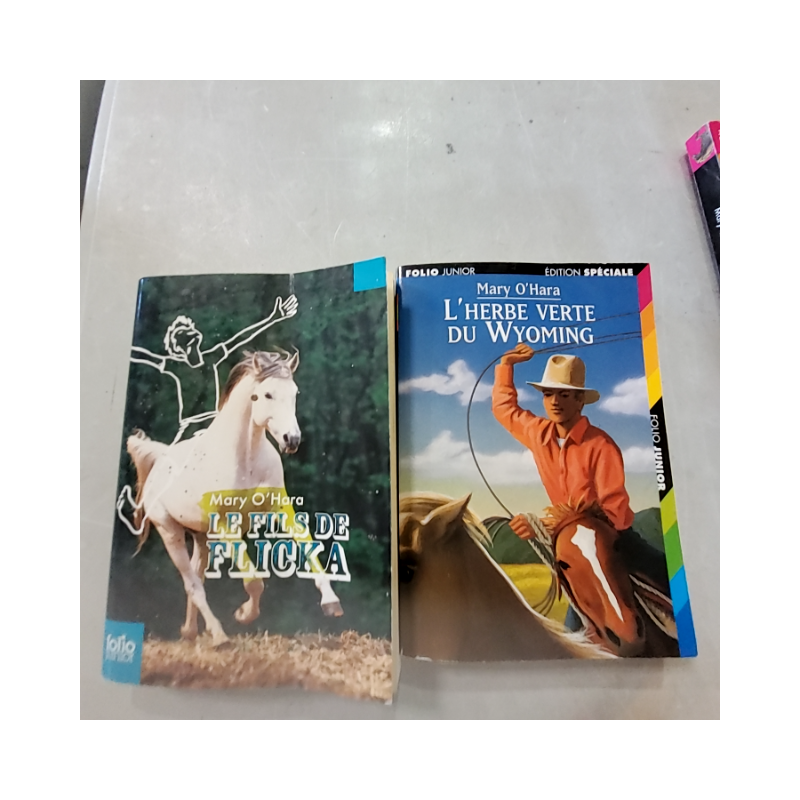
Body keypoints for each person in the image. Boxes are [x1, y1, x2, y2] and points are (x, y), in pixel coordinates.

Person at [491, 343, 669, 624]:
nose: (554, 401)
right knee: (579, 626)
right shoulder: (539, 434)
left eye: (564, 394)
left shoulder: (601, 445)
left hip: (614, 543)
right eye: (548, 394)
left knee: (670, 582)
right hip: (575, 548)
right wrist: (506, 365)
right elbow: (505, 410)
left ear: (580, 401)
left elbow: (615, 514)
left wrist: (544, 525)